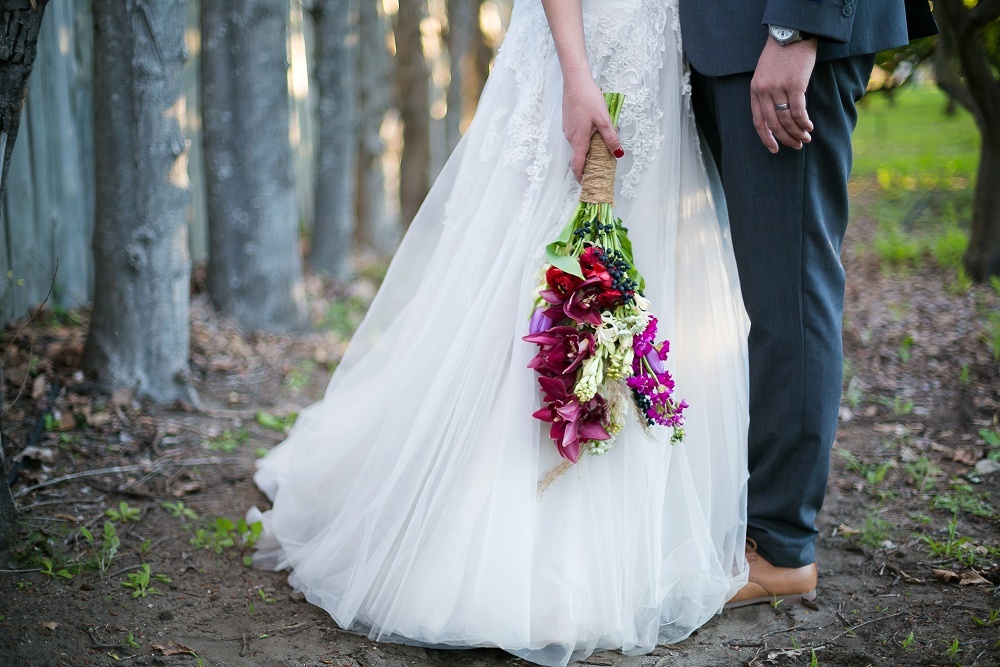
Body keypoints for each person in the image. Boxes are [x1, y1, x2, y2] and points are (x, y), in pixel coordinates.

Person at [248, 1, 750, 665]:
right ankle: (497, 538)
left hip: (660, 46)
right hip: (584, 40)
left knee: (634, 262)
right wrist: (576, 74)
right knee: (539, 257)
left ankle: (622, 533)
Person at [678, 0, 937, 607]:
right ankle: (754, 523)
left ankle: (780, 548)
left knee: (788, 288)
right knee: (761, 290)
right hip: (725, 41)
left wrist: (798, 27)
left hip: (778, 35)